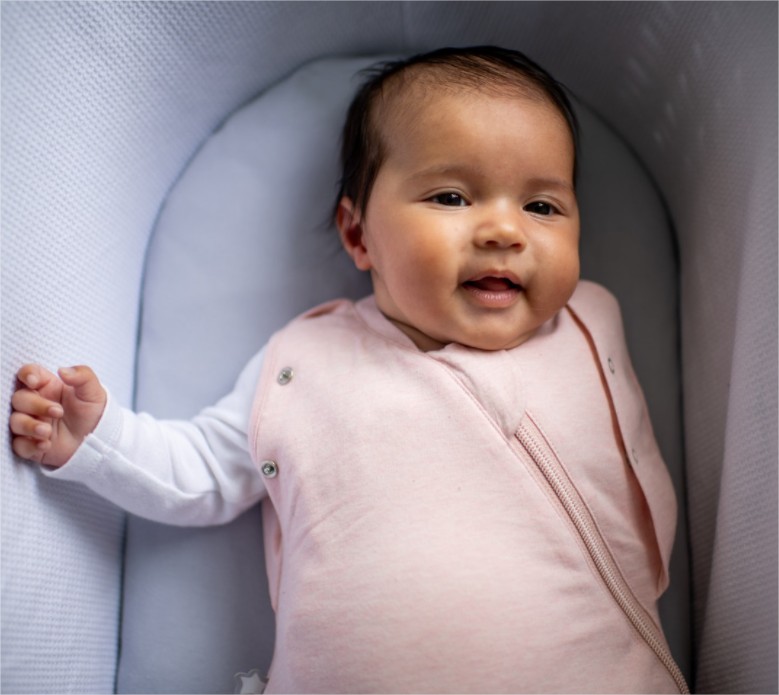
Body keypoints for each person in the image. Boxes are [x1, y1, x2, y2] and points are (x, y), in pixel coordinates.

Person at [9, 46, 688, 693]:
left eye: (541, 206)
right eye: (452, 197)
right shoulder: (305, 364)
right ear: (359, 234)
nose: (505, 231)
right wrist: (98, 438)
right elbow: (201, 469)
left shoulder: (586, 322)